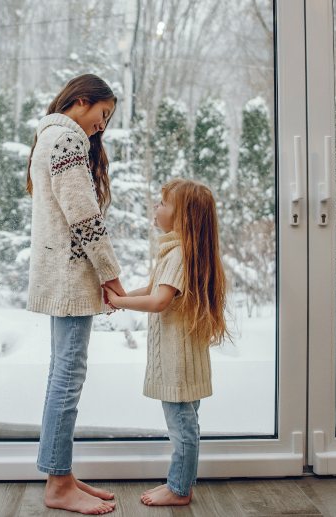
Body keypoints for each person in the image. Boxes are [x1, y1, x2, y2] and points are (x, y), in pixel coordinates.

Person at [26, 74, 126, 515]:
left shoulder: (47, 137)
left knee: (61, 374)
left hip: (57, 274)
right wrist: (110, 275)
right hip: (70, 276)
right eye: (102, 115)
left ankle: (60, 473)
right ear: (81, 101)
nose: (101, 127)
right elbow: (83, 217)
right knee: (68, 376)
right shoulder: (67, 142)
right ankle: (58, 483)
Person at [104, 178, 228, 507]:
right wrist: (119, 297)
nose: (155, 209)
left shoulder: (179, 256)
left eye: (161, 204)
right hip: (185, 359)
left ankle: (179, 488)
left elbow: (159, 301)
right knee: (186, 423)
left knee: (182, 427)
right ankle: (178, 483)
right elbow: (152, 287)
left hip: (177, 362)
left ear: (182, 216)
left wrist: (120, 303)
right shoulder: (178, 253)